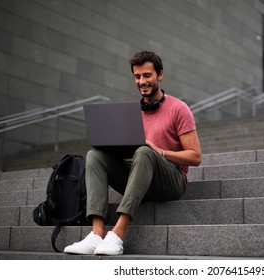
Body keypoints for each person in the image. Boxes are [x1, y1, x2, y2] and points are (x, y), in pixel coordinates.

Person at [64, 51, 202, 255]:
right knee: (95, 156)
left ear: (160, 75)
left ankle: (118, 235)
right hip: (140, 176)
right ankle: (96, 234)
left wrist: (161, 152)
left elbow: (196, 157)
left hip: (171, 181)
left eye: (147, 75)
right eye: (137, 77)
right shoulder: (131, 113)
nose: (142, 81)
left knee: (145, 151)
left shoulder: (179, 109)